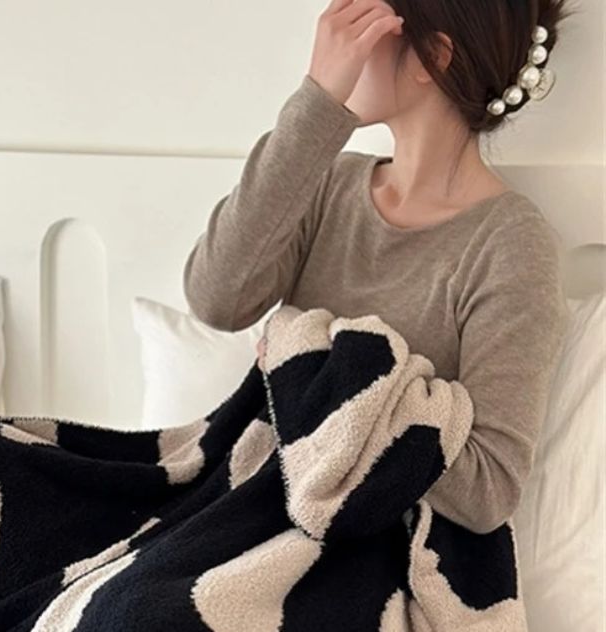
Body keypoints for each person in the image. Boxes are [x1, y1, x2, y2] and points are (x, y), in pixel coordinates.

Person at [183, 0, 574, 535]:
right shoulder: (328, 182)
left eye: (358, 24)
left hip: (364, 554)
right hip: (249, 512)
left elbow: (490, 485)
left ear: (431, 57)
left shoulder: (510, 243)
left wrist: (307, 364)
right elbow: (217, 299)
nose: (333, 48)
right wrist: (317, 104)